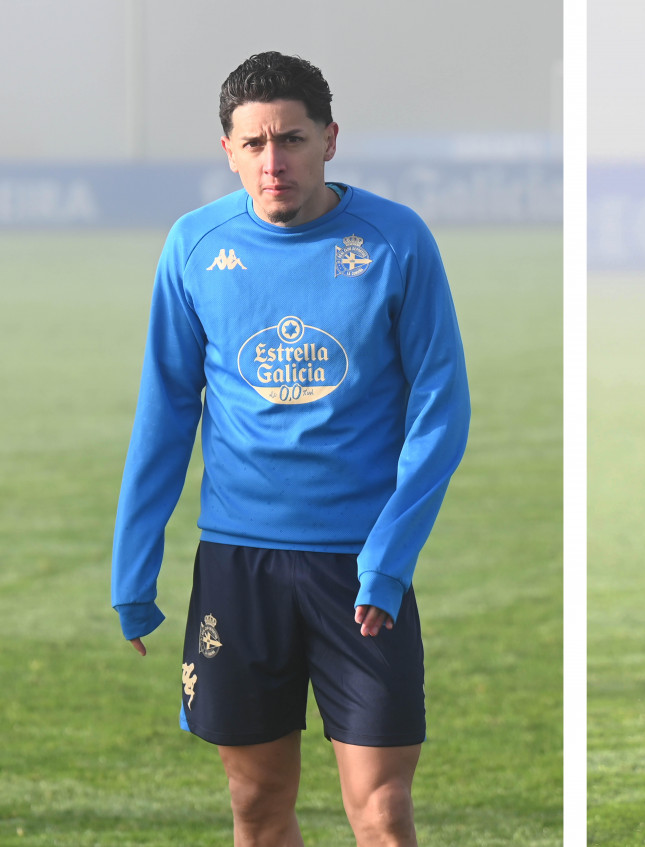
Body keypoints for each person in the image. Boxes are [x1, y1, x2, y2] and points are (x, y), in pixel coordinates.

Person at [111, 51, 470, 846]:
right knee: (257, 810)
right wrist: (134, 568)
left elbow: (441, 412)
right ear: (228, 150)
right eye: (255, 144)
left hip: (359, 571)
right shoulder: (194, 246)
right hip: (238, 568)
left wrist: (388, 558)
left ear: (331, 139)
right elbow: (166, 412)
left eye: (293, 139)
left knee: (380, 812)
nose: (274, 162)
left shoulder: (396, 240)